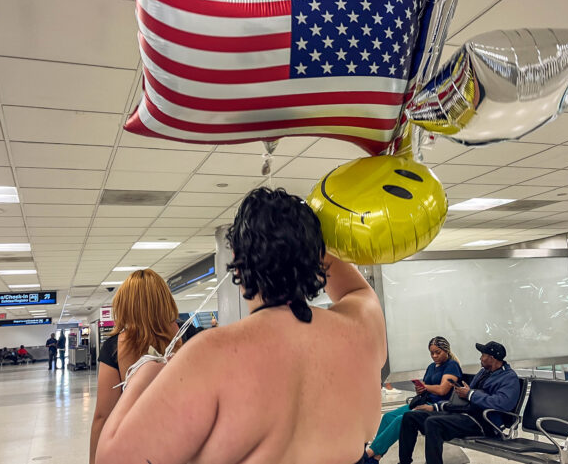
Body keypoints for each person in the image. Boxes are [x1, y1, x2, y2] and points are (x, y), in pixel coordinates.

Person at [95, 187, 386, 464]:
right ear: (317, 253)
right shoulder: (362, 328)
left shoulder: (211, 353)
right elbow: (356, 291)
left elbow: (113, 459)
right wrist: (309, 236)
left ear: (236, 260)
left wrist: (145, 370)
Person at [89, 269, 183, 464]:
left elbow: (102, 416)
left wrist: (93, 460)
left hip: (136, 446)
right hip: (184, 440)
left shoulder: (114, 347)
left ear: (124, 305)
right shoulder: (188, 337)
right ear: (165, 300)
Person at [398, 341, 520, 464]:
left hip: (485, 422)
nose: (480, 358)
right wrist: (435, 408)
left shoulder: (508, 377)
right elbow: (464, 401)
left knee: (433, 423)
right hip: (465, 415)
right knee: (411, 416)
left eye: (483, 355)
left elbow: (503, 403)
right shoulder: (483, 372)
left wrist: (470, 394)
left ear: (492, 358)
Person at [365, 337, 462, 463]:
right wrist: (421, 389)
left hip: (437, 406)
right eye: (432, 353)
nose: (434, 356)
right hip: (424, 402)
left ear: (446, 351)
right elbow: (429, 388)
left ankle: (371, 453)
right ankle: (376, 457)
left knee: (402, 419)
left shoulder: (452, 366)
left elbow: (443, 390)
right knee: (388, 417)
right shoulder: (432, 367)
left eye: (438, 352)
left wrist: (426, 386)